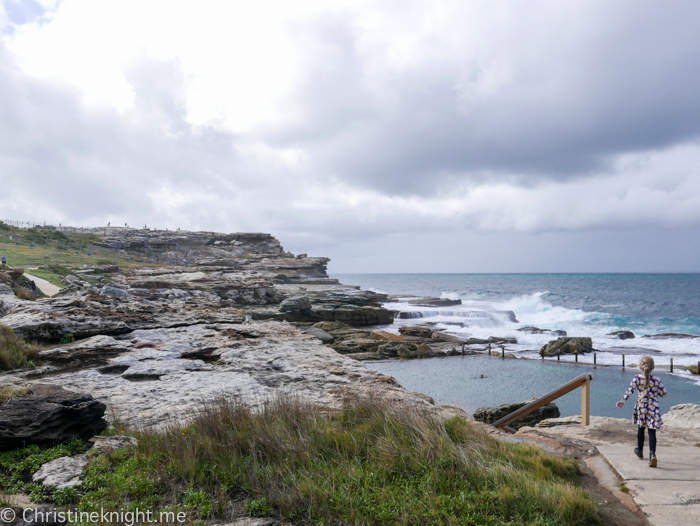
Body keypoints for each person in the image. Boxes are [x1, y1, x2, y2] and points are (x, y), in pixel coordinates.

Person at [616, 356, 667, 467]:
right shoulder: (657, 380)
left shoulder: (637, 378)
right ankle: (652, 454)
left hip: (642, 407)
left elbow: (630, 391)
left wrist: (622, 401)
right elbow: (664, 394)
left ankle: (639, 450)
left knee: (641, 428)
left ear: (640, 366)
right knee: (651, 431)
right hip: (653, 408)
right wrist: (654, 392)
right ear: (653, 367)